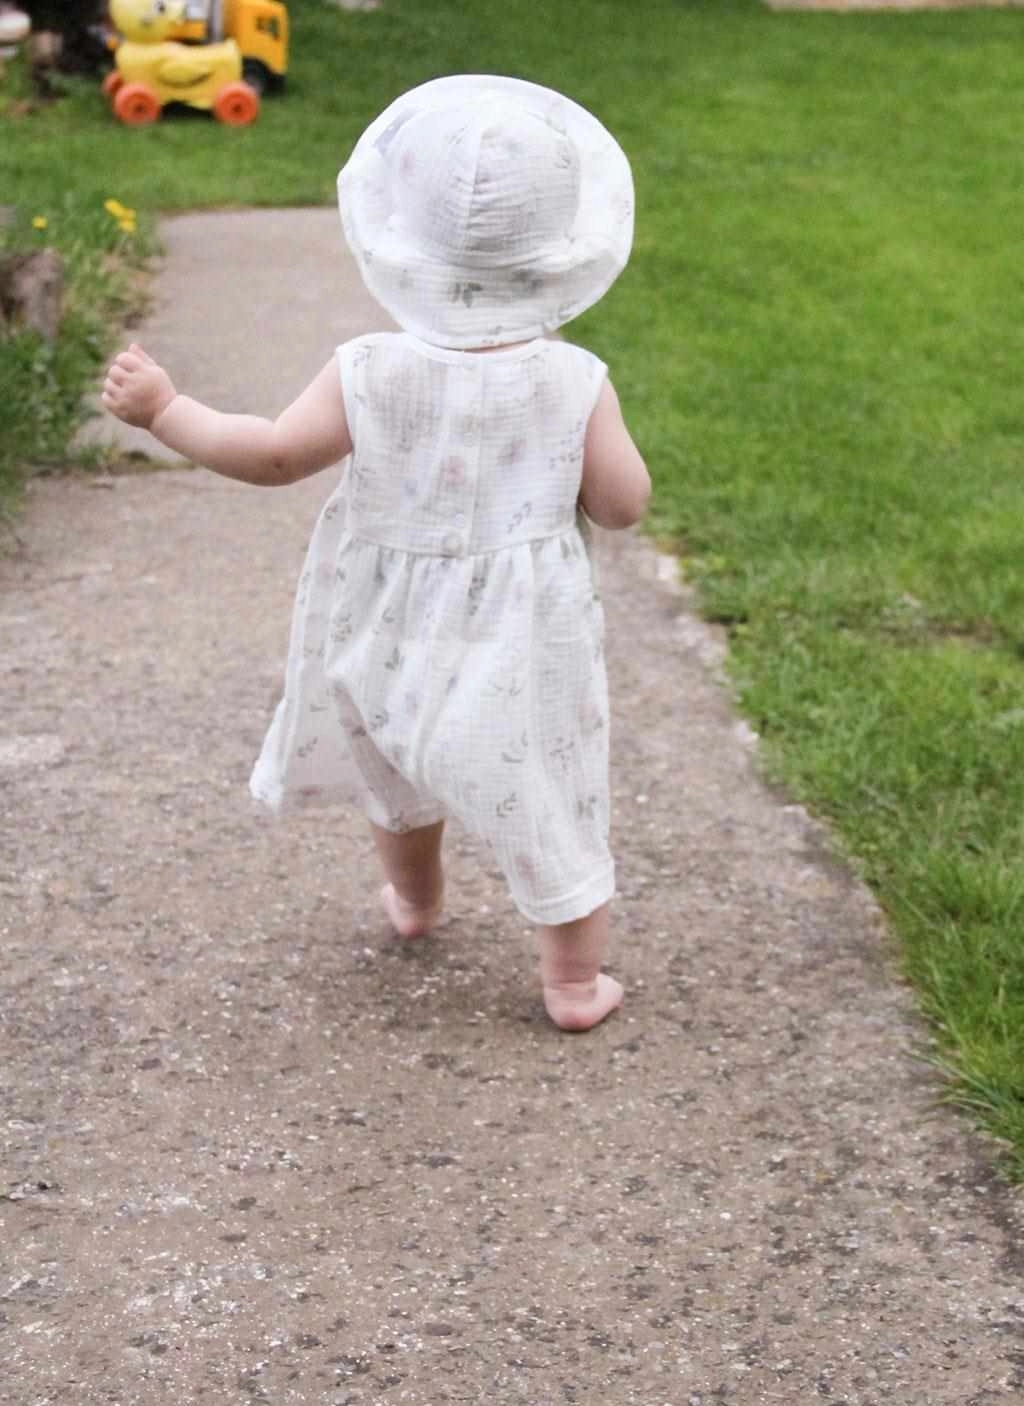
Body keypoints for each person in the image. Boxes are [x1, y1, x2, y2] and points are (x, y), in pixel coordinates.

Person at [101, 74, 650, 1031]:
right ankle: (571, 982)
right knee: (550, 789)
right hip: (527, 634)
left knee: (397, 768)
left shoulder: (368, 368)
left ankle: (415, 900)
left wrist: (167, 411)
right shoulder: (574, 380)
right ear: (560, 251)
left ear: (402, 240)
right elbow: (623, 504)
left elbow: (272, 455)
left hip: (387, 621)